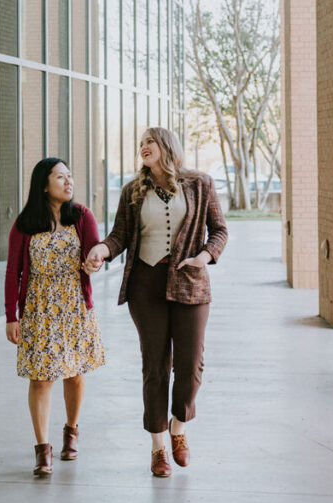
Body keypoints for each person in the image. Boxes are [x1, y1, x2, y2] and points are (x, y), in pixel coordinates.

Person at [85, 127, 227, 477]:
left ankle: (179, 428)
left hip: (189, 282)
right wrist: (102, 250)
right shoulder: (133, 190)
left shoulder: (201, 184)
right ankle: (159, 446)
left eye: (149, 142)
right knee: (155, 366)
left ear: (166, 146)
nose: (143, 148)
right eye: (140, 144)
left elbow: (219, 229)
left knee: (191, 366)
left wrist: (205, 257)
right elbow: (119, 235)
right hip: (145, 285)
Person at [4, 158, 105, 477]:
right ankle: (42, 448)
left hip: (75, 307)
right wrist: (11, 315)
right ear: (44, 184)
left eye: (70, 176)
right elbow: (13, 272)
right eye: (60, 177)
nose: (68, 181)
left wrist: (94, 263)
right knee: (42, 377)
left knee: (74, 374)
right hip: (38, 309)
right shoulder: (26, 223)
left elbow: (94, 251)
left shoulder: (82, 216)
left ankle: (71, 432)